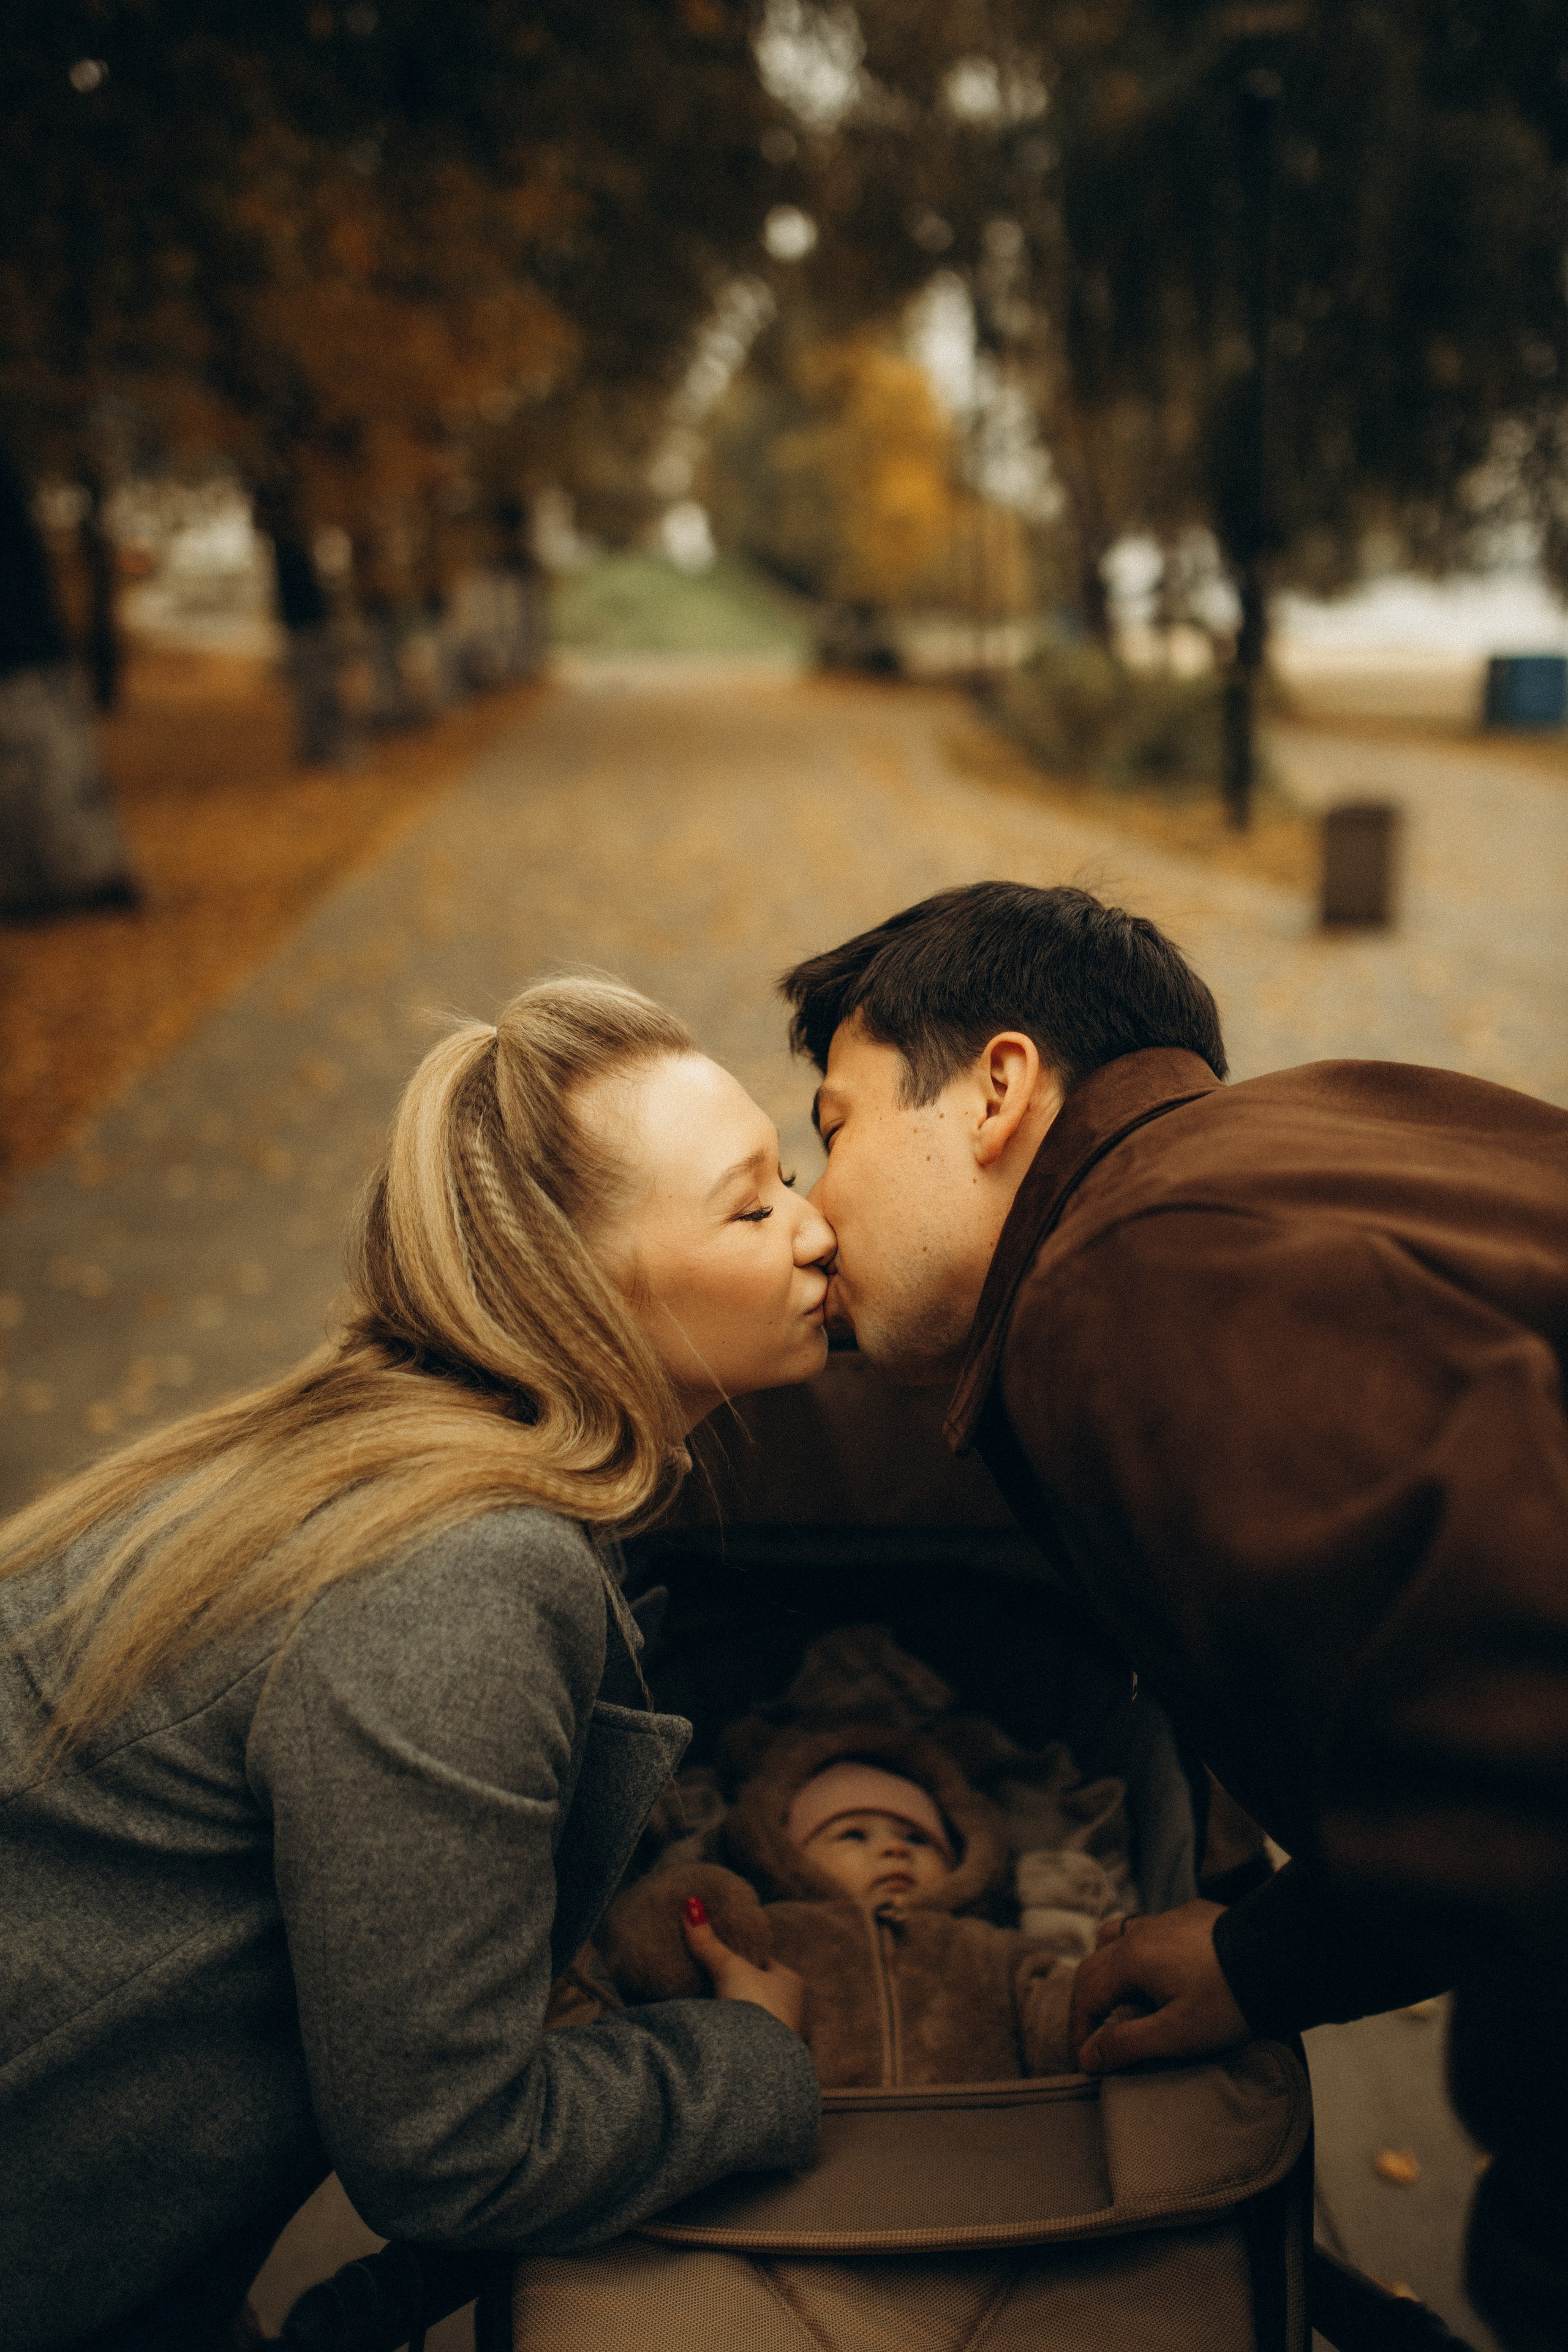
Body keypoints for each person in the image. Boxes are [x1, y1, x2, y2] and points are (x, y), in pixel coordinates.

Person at [780, 880, 1568, 2352]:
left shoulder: (1135, 1269)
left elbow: (1524, 1744)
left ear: (997, 1087)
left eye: (834, 1123)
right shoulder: (1335, 1131)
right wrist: (1263, 1956)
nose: (813, 1208)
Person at [1, 978, 831, 2352]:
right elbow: (450, 2149)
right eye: (750, 1208)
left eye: (788, 1176)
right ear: (571, 1287)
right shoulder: (466, 1573)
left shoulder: (388, 1453)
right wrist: (749, 2061)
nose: (815, 1230)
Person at [598, 1733, 1082, 2087]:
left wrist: (1098, 2004)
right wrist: (678, 1915)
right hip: (812, 2178)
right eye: (854, 1834)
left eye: (918, 1838)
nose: (895, 1849)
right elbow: (663, 1975)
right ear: (791, 1854)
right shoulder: (773, 1932)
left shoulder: (987, 1948)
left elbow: (1056, 2016)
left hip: (989, 2162)